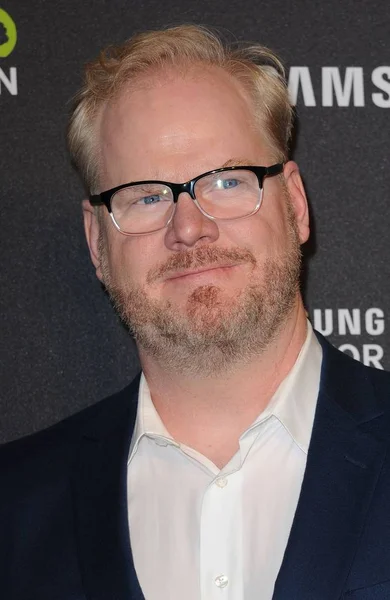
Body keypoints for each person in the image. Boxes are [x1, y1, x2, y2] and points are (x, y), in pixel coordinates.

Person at [1, 24, 390, 600]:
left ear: (296, 205)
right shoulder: (14, 507)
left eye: (228, 181)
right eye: (146, 196)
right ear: (96, 242)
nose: (189, 228)